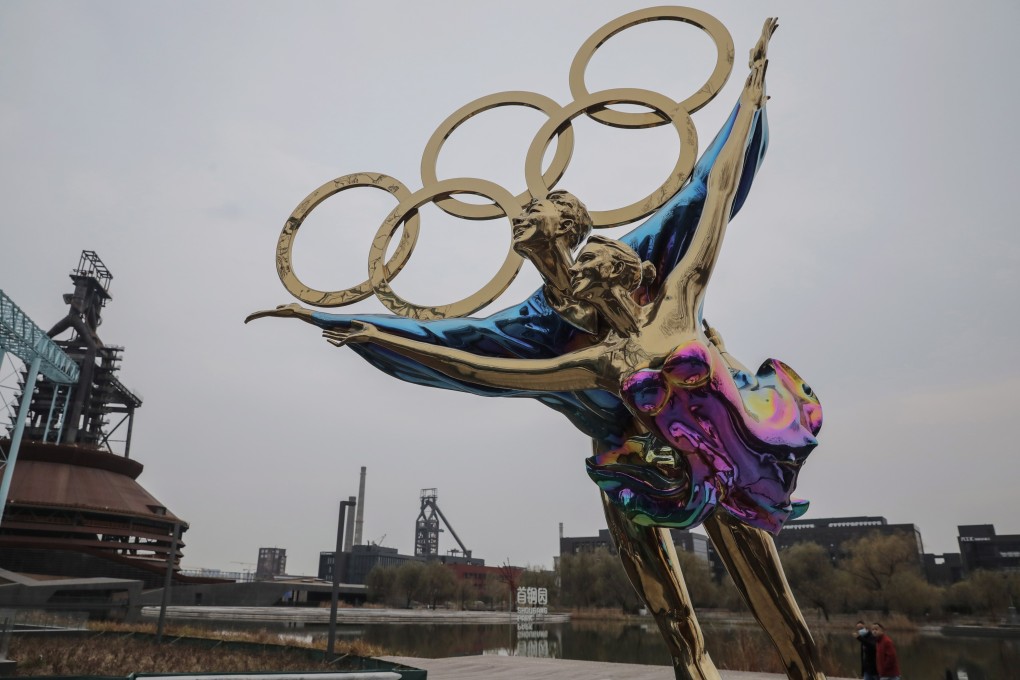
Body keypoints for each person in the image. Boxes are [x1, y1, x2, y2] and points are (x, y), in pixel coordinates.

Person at [252, 19, 827, 680]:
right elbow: (470, 360)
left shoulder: (663, 279)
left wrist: (752, 92)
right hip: (628, 461)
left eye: (540, 208)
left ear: (575, 226)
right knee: (665, 604)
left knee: (765, 585)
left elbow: (713, 192)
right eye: (519, 213)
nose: (520, 215)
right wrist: (366, 331)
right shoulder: (538, 333)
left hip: (721, 446)